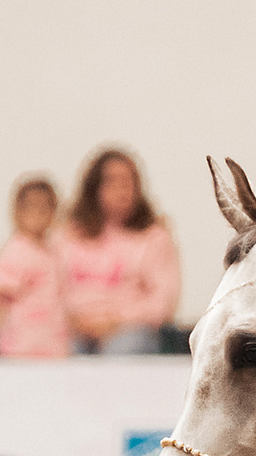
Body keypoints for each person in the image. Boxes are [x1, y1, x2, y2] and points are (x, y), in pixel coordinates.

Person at [59, 148, 178, 355]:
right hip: (74, 329)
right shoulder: (69, 234)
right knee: (55, 349)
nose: (122, 189)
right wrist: (76, 321)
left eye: (129, 182)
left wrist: (114, 321)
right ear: (94, 187)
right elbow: (52, 287)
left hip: (129, 330)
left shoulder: (154, 237)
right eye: (112, 181)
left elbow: (162, 303)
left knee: (123, 351)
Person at [0, 177, 69, 358]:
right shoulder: (14, 249)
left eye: (45, 207)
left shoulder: (54, 251)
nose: (39, 213)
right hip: (22, 346)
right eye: (31, 206)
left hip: (53, 343)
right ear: (18, 212)